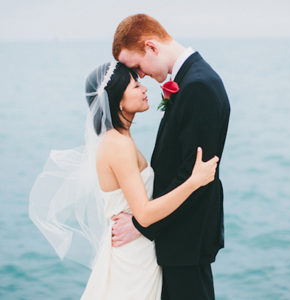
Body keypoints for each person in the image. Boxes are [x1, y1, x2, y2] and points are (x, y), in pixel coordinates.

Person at [29, 61, 219, 300]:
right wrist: (194, 181)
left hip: (138, 249)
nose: (144, 89)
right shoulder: (117, 145)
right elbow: (145, 214)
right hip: (132, 259)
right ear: (118, 99)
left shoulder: (120, 139)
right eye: (135, 86)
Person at [111, 14, 231, 300]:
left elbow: (196, 177)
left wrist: (142, 224)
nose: (140, 77)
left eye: (137, 67)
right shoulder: (190, 79)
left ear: (151, 47)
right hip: (179, 237)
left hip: (186, 239)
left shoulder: (198, 86)